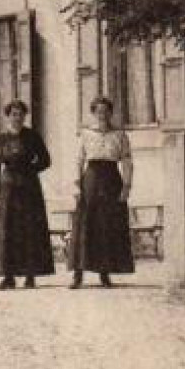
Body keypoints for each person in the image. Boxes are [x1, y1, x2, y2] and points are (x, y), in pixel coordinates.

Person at [69, 96, 136, 288]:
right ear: (93, 113)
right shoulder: (86, 134)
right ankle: (77, 274)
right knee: (85, 224)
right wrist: (77, 186)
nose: (102, 115)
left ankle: (105, 273)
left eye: (106, 111)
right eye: (98, 111)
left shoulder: (120, 135)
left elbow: (127, 161)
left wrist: (126, 186)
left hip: (111, 180)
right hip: (90, 179)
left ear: (110, 113)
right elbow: (78, 160)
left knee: (107, 225)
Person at [0, 99, 55, 289]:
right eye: (13, 114)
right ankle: (8, 276)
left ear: (25, 116)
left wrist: (29, 170)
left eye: (21, 115)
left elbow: (45, 160)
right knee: (8, 231)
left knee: (29, 230)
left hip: (29, 188)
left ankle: (30, 275)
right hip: (8, 188)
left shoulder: (32, 136)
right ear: (8, 116)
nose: (17, 118)